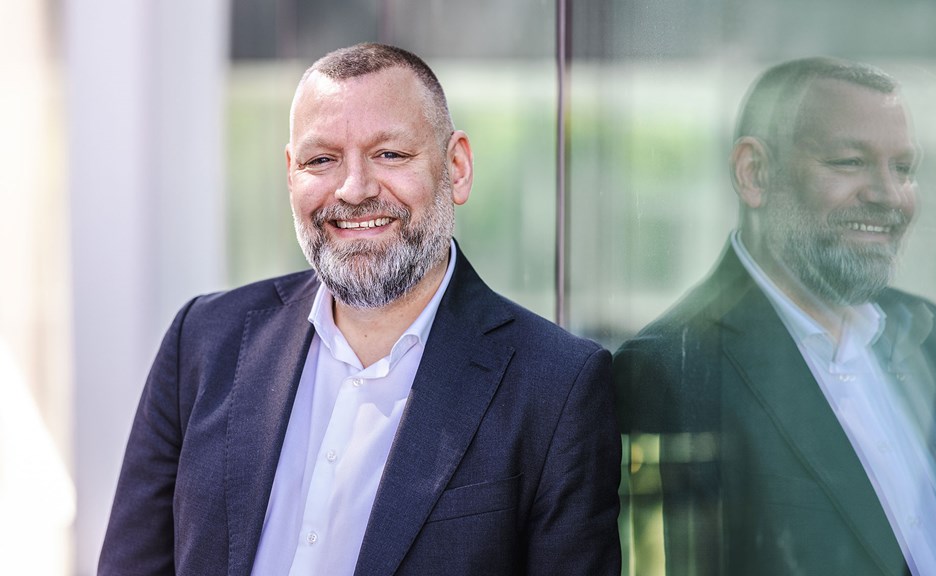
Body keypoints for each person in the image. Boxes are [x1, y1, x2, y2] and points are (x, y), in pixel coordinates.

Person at [98, 43, 621, 576]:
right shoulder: (204, 342)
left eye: (389, 154)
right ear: (290, 175)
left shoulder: (554, 387)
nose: (354, 189)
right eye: (321, 160)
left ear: (456, 167)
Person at [615, 58, 936, 575]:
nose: (888, 194)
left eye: (903, 169)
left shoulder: (929, 334)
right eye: (849, 162)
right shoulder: (673, 369)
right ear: (755, 174)